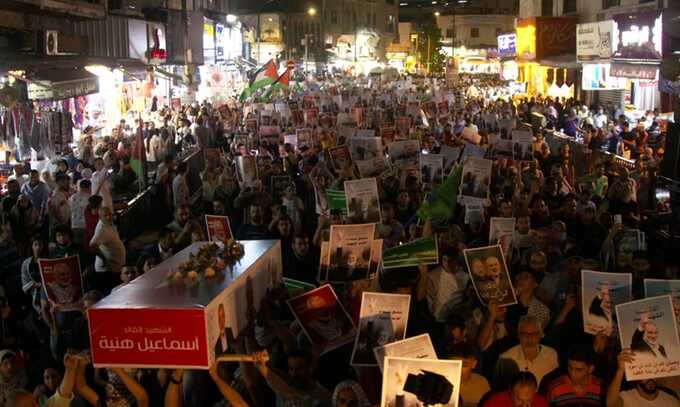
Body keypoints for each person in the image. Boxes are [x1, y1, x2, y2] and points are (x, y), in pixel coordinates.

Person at [496, 315, 559, 388]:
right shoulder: (506, 358)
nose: (529, 338)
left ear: (541, 334)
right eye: (525, 334)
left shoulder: (551, 354)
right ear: (518, 335)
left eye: (534, 333)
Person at [606, 349, 679, 407]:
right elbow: (611, 404)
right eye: (645, 371)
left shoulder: (672, 402)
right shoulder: (628, 397)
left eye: (654, 371)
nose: (650, 377)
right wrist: (620, 370)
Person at [89, 206, 126, 292]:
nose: (108, 217)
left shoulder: (109, 223)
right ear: (100, 217)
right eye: (105, 216)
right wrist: (104, 259)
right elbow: (92, 245)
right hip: (107, 270)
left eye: (110, 214)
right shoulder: (101, 230)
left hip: (115, 266)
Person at [483, 371, 548, 407]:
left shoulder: (541, 402)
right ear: (510, 391)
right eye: (520, 400)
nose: (525, 406)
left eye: (529, 400)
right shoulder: (494, 403)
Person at [68, 179, 91, 246]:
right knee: (86, 247)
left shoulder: (72, 197)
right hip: (85, 226)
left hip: (74, 225)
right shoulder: (89, 198)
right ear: (87, 187)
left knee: (77, 246)